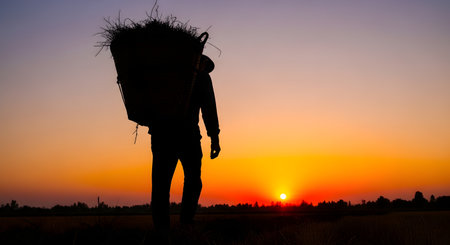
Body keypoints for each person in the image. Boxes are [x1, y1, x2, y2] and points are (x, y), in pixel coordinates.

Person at [148, 55, 221, 233]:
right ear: (200, 62)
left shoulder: (162, 75)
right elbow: (209, 108)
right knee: (193, 180)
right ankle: (186, 222)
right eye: (205, 65)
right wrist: (214, 137)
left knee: (160, 185)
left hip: (161, 136)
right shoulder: (201, 76)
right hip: (187, 136)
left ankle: (161, 229)